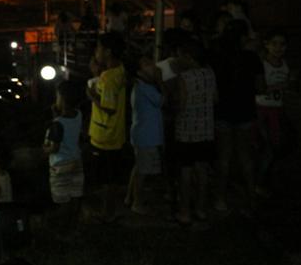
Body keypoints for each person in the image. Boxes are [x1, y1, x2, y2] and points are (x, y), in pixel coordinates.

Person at [210, 19, 265, 214]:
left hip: (223, 111)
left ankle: (220, 198)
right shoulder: (252, 59)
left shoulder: (217, 58)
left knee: (223, 157)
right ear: (242, 38)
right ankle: (251, 197)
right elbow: (260, 87)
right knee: (245, 157)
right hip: (245, 112)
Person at [171, 39, 217, 224]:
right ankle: (201, 209)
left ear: (188, 57)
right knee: (203, 170)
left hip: (186, 131)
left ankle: (184, 212)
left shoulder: (184, 77)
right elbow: (215, 99)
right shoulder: (210, 73)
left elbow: (181, 105)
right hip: (206, 130)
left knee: (186, 172)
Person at [86, 32, 127, 222]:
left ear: (108, 52)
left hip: (105, 136)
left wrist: (92, 95)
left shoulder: (108, 78)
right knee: (110, 178)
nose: (96, 52)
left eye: (98, 48)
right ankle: (109, 211)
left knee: (106, 179)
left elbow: (108, 107)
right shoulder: (119, 71)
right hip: (114, 133)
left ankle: (107, 213)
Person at [254, 29, 291, 196]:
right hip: (262, 109)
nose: (278, 48)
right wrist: (281, 86)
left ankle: (267, 180)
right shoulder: (262, 64)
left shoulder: (284, 65)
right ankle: (259, 181)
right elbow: (258, 89)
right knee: (268, 147)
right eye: (274, 44)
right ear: (266, 44)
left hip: (277, 108)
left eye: (282, 44)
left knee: (276, 147)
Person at [125, 55, 164, 215]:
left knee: (138, 168)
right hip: (146, 136)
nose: (153, 66)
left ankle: (130, 197)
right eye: (147, 64)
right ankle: (137, 203)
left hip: (142, 134)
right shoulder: (145, 87)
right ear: (139, 72)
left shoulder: (140, 86)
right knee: (143, 171)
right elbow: (163, 101)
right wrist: (161, 81)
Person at [44, 80, 84, 223]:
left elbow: (54, 147)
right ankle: (74, 222)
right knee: (75, 193)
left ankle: (63, 225)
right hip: (76, 161)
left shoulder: (57, 123)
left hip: (60, 165)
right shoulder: (79, 114)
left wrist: (44, 149)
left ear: (61, 98)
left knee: (62, 198)